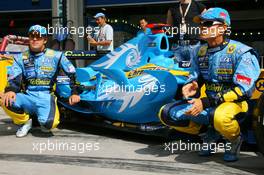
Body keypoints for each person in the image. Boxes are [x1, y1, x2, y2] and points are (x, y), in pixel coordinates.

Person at [159, 8, 261, 162]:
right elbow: (195, 76)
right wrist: (191, 85)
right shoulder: (198, 51)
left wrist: (205, 102)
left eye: (207, 23)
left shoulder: (242, 52)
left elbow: (243, 90)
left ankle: (235, 140)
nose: (202, 28)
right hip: (208, 104)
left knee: (219, 116)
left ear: (223, 28)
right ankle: (209, 132)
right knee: (167, 113)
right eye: (201, 24)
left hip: (236, 104)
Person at [0, 25, 81, 137]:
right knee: (3, 98)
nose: (34, 39)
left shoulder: (57, 56)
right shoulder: (20, 57)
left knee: (49, 125)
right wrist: (10, 90)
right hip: (27, 96)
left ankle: (40, 118)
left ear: (45, 40)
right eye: (32, 36)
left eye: (38, 37)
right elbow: (14, 77)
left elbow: (72, 74)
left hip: (46, 97)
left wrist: (75, 92)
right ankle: (25, 121)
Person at [166, 0, 206, 65]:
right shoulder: (172, 8)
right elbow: (169, 26)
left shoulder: (199, 6)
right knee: (177, 71)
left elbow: (206, 24)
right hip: (177, 47)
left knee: (194, 71)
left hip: (194, 46)